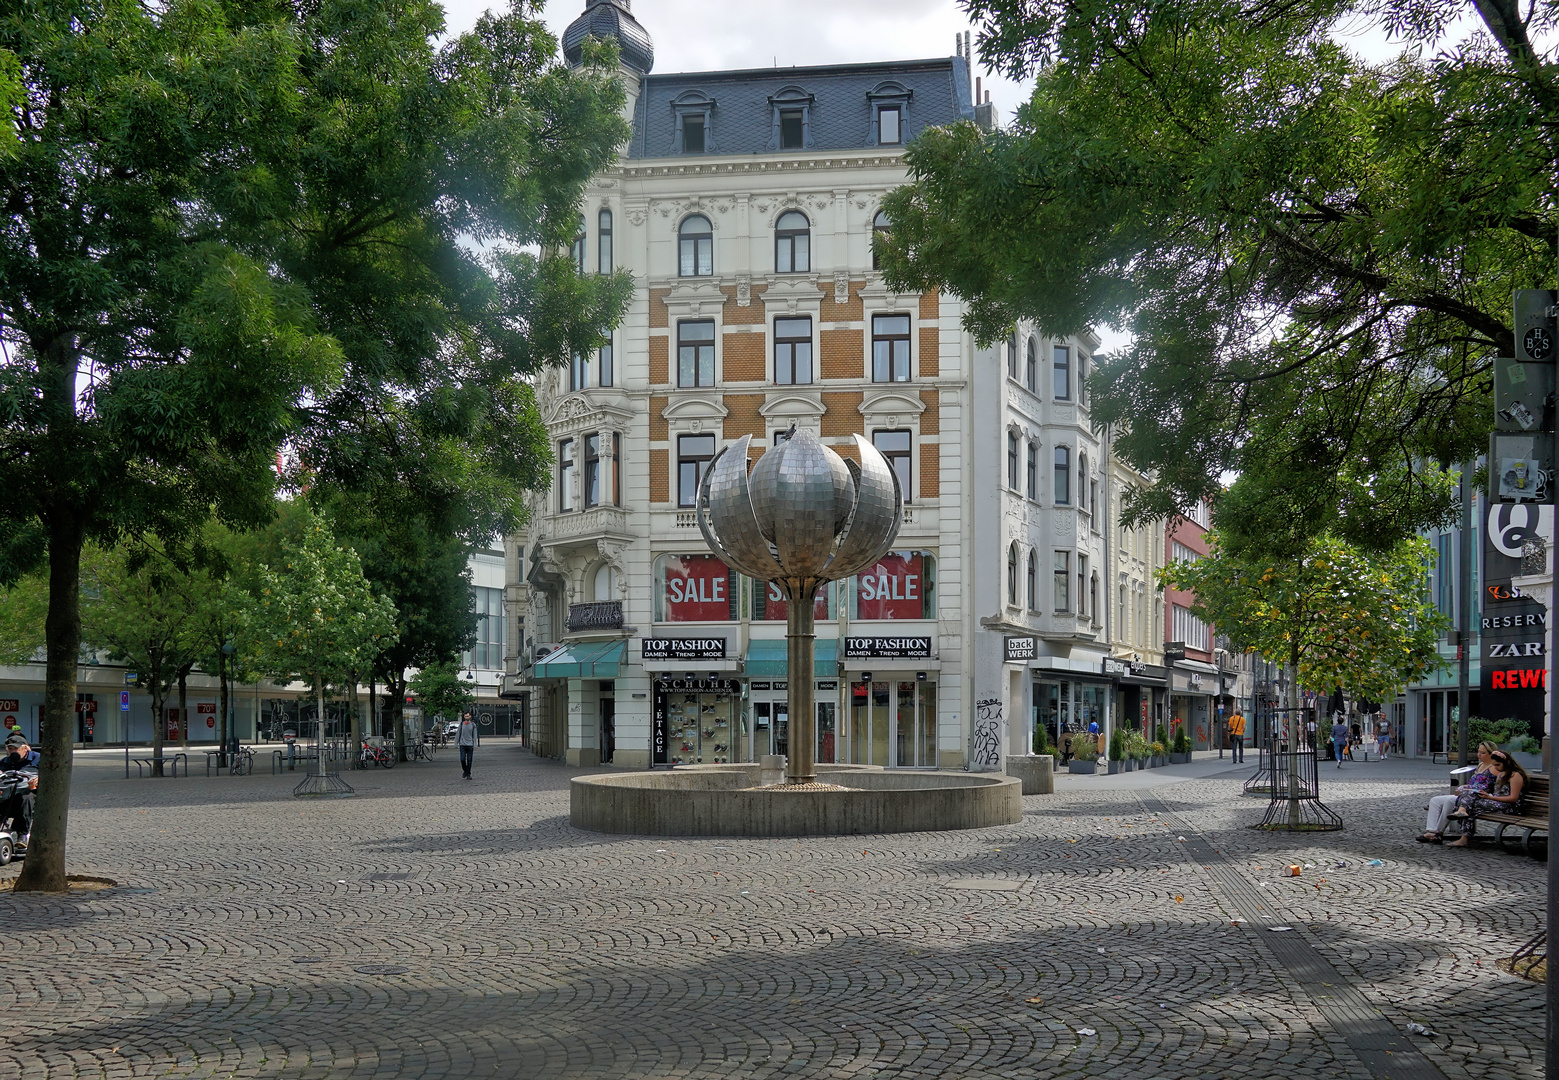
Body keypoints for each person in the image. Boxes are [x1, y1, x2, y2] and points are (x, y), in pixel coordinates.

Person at [1420, 741, 1498, 842]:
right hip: (1468, 795)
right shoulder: (1480, 765)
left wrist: (1467, 789)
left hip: (1478, 797)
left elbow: (1487, 787)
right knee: (1435, 801)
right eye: (1478, 752)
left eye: (1483, 753)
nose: (1479, 755)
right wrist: (1464, 787)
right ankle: (1431, 830)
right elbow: (1473, 783)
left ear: (1491, 754)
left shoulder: (1495, 768)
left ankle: (1438, 832)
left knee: (1450, 801)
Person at [1447, 750, 1527, 848]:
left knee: (1470, 804)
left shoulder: (1515, 775)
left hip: (1510, 807)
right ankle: (1463, 818)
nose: (1496, 768)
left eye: (1498, 765)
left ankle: (1464, 830)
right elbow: (1496, 792)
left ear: (1506, 762)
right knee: (1469, 794)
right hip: (1497, 802)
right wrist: (1487, 795)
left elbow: (1513, 798)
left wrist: (1490, 797)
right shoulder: (1502, 773)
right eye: (1494, 765)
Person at [456, 711, 479, 779]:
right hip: (462, 745)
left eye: (468, 716)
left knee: (469, 760)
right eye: (466, 716)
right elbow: (458, 733)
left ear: (470, 717)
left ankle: (468, 774)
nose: (467, 717)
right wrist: (456, 743)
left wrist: (475, 745)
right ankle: (465, 771)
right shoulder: (462, 724)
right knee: (462, 759)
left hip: (470, 745)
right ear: (464, 717)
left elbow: (475, 736)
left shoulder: (473, 725)